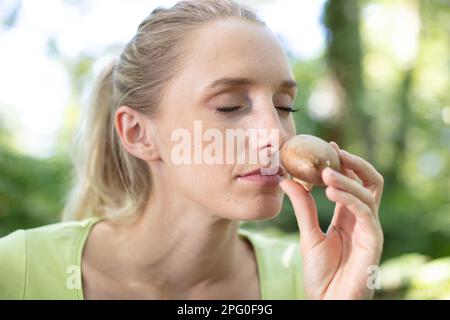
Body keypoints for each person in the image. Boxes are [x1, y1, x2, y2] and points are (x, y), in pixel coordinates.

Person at [0, 0, 384, 299]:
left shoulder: (307, 272)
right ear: (138, 134)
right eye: (230, 106)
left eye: (284, 106)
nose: (275, 133)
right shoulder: (16, 272)